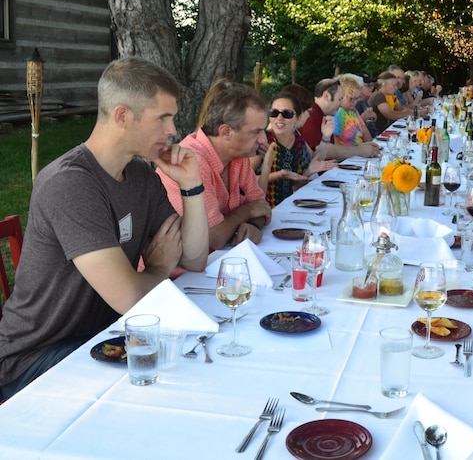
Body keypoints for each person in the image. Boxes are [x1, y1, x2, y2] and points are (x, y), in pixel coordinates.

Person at [0, 57, 209, 399]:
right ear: (122, 116)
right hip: (35, 359)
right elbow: (128, 297)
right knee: (171, 384)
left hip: (102, 338)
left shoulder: (141, 175)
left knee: (190, 370)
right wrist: (159, 268)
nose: (173, 130)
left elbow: (196, 258)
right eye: (163, 118)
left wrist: (192, 186)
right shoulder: (70, 184)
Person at [157, 81, 272, 250]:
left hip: (212, 263)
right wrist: (246, 212)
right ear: (226, 132)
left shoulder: (239, 155)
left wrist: (254, 225)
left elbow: (261, 205)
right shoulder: (192, 160)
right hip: (175, 274)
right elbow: (213, 238)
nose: (264, 139)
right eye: (256, 132)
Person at [253, 92, 338, 206]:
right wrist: (279, 175)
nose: (279, 118)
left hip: (293, 207)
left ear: (298, 118)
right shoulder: (261, 141)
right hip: (267, 211)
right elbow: (244, 182)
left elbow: (301, 177)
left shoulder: (298, 140)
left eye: (286, 114)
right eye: (274, 113)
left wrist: (326, 137)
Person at [302, 78, 381, 159]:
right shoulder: (311, 116)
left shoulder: (321, 114)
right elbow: (320, 152)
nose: (341, 104)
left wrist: (360, 147)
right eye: (340, 99)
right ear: (327, 96)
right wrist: (358, 150)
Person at [333, 75, 374, 146]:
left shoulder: (353, 110)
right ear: (341, 95)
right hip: (347, 155)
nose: (355, 102)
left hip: (359, 153)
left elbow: (364, 131)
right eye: (351, 99)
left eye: (357, 98)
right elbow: (335, 143)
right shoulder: (338, 113)